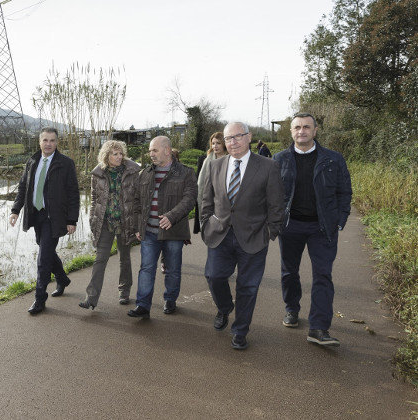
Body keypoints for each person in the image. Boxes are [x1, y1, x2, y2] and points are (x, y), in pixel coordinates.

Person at [200, 122, 284, 350]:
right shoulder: (215, 166)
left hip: (254, 236)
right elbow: (206, 200)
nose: (233, 142)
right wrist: (206, 223)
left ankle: (240, 331)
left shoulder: (268, 166)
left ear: (249, 137)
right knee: (214, 276)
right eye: (228, 138)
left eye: (238, 136)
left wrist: (270, 231)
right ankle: (225, 307)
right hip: (220, 235)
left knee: (248, 287)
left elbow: (277, 204)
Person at [273, 112, 352, 346]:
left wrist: (340, 219)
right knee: (289, 273)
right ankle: (291, 309)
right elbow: (271, 194)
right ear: (291, 131)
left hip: (322, 228)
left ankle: (318, 328)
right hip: (291, 226)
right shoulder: (279, 160)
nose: (302, 131)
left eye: (307, 127)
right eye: (297, 127)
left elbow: (344, 191)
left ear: (315, 131)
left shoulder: (333, 159)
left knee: (323, 275)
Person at [9, 127, 80, 315]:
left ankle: (40, 298)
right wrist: (15, 210)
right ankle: (62, 278)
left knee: (43, 258)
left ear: (57, 143)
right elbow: (23, 186)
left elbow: (73, 193)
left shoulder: (65, 163)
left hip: (54, 217)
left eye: (52, 141)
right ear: (39, 142)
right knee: (45, 249)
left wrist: (72, 219)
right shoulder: (32, 161)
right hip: (36, 214)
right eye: (45, 140)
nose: (49, 144)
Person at [127, 136, 196, 319]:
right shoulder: (145, 173)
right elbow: (136, 202)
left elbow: (190, 199)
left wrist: (172, 216)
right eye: (150, 151)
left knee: (173, 269)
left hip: (173, 232)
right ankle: (143, 305)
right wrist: (137, 227)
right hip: (149, 232)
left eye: (154, 150)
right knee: (146, 268)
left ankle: (170, 299)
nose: (151, 154)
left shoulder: (186, 173)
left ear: (167, 150)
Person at [80, 140, 141, 309]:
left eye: (121, 153)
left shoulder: (132, 172)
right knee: (100, 259)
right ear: (106, 155)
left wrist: (136, 223)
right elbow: (94, 200)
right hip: (105, 222)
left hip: (125, 222)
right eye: (115, 154)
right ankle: (91, 298)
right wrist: (93, 218)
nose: (119, 157)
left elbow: (138, 198)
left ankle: (124, 291)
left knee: (124, 258)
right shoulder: (97, 174)